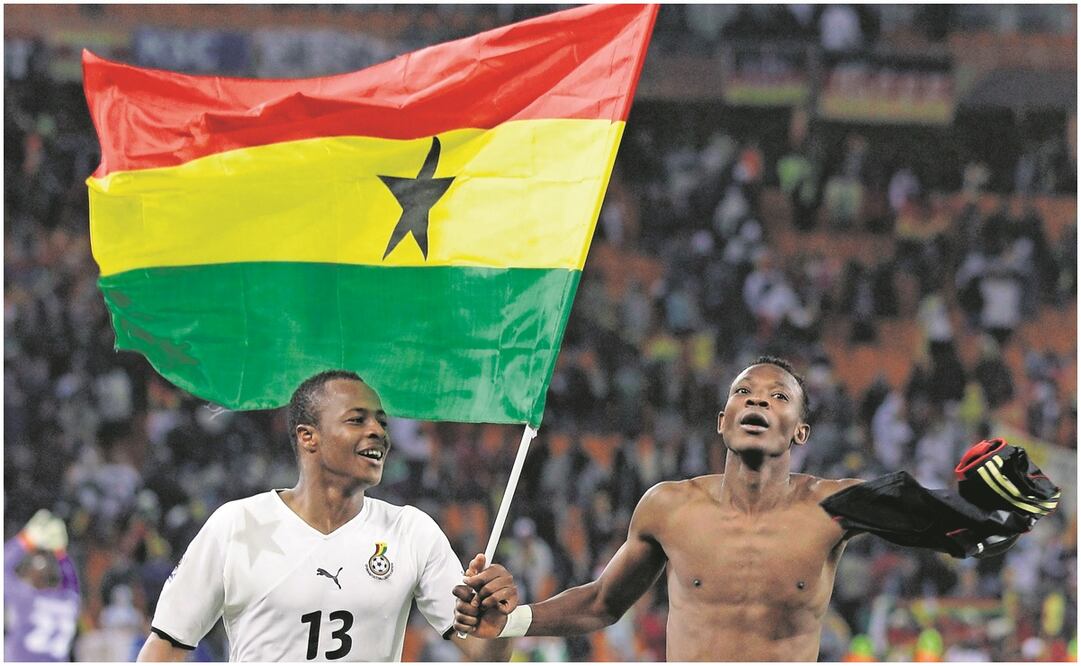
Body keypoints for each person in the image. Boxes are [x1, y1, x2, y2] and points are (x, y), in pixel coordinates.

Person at [453, 356, 1058, 661]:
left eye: (777, 397)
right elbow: (602, 604)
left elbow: (958, 530)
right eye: (743, 392)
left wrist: (999, 513)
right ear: (722, 421)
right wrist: (512, 620)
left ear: (799, 431)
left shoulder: (836, 506)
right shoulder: (667, 506)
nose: (757, 401)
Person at [138, 370, 515, 661]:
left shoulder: (412, 532)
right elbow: (167, 647)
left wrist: (500, 621)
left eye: (382, 422)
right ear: (308, 437)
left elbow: (482, 651)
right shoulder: (236, 525)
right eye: (357, 420)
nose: (378, 432)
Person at [4, 510, 80, 662]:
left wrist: (26, 539)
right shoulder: (70, 601)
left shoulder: (26, 598)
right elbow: (72, 582)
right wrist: (61, 553)